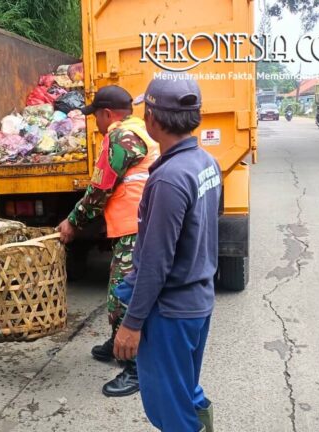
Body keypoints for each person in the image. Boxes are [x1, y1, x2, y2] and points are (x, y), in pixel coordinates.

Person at [112, 74, 221, 432]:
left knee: (170, 412)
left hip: (171, 311)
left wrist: (132, 324)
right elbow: (209, 221)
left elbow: (157, 265)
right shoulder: (206, 163)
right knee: (186, 391)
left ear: (153, 121)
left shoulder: (169, 178)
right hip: (197, 301)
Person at [56, 85, 160, 397]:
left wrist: (72, 222)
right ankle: (119, 345)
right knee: (124, 290)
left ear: (106, 114)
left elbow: (100, 188)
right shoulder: (140, 129)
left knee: (122, 296)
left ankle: (135, 367)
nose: (96, 124)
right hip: (139, 225)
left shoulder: (119, 137)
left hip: (135, 229)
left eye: (96, 118)